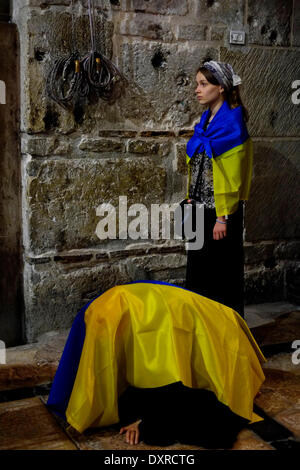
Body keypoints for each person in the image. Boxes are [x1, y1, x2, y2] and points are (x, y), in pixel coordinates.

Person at [46, 281, 266, 448]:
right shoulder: (100, 315)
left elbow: (174, 383)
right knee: (127, 399)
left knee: (208, 421)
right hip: (153, 312)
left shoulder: (217, 330)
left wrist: (148, 423)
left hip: (210, 329)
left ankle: (238, 384)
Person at [185, 61, 253, 319]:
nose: (197, 90)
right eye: (197, 84)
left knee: (220, 275)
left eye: (203, 84)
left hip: (220, 215)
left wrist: (223, 217)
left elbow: (232, 176)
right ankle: (200, 330)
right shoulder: (206, 121)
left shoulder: (232, 125)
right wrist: (191, 199)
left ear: (221, 88)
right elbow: (202, 164)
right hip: (200, 209)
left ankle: (223, 333)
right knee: (199, 272)